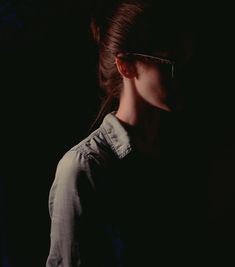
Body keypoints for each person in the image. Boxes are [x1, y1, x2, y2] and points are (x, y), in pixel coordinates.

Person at [46, 0, 194, 266]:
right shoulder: (84, 168)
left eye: (187, 64)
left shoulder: (177, 154)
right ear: (126, 66)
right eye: (171, 64)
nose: (182, 77)